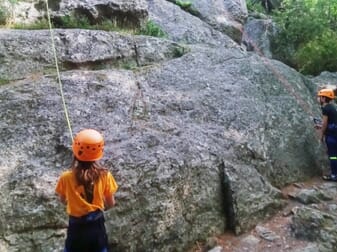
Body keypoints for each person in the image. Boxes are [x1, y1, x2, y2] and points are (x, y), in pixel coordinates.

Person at [55, 129, 118, 252]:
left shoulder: (66, 177)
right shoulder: (105, 175)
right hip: (96, 227)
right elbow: (111, 203)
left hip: (76, 228)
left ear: (76, 151)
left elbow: (62, 200)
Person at [317, 88, 337, 181]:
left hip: (332, 136)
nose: (319, 99)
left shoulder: (326, 109)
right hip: (334, 133)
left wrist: (321, 135)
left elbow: (325, 124)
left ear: (324, 98)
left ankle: (334, 175)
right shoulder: (332, 107)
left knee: (333, 156)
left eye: (320, 97)